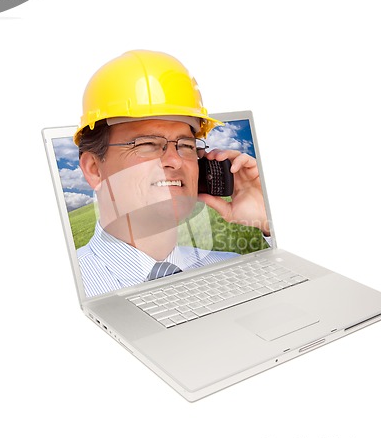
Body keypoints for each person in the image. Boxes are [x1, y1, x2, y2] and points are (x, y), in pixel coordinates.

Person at [74, 50, 270, 297]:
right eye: (146, 144)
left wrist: (266, 219)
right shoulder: (70, 288)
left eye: (186, 145)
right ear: (94, 169)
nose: (175, 160)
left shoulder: (228, 267)